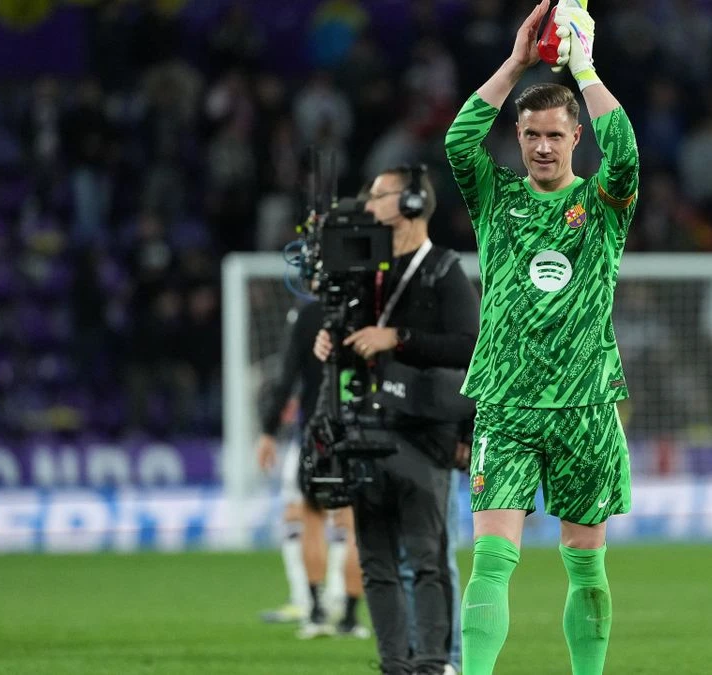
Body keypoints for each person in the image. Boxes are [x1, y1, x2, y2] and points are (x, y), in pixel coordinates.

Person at [444, 1, 639, 673]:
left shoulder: (604, 204)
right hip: (506, 400)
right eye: (531, 135)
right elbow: (457, 143)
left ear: (576, 136)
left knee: (585, 564)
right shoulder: (496, 199)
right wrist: (515, 64)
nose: (543, 147)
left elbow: (626, 152)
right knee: (492, 559)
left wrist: (584, 69)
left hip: (586, 402)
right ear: (519, 136)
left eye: (555, 134)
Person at [313, 165, 479, 675]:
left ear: (411, 204)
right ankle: (398, 664)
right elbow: (354, 341)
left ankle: (441, 663)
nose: (367, 204)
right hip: (371, 429)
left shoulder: (444, 270)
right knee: (380, 564)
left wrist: (399, 338)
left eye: (379, 195)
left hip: (426, 434)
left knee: (429, 559)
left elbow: (473, 348)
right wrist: (332, 342)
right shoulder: (370, 272)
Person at [255, 297, 368, 640]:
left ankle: (317, 611)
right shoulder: (370, 309)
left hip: (317, 433)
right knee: (354, 525)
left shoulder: (309, 314)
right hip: (360, 430)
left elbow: (287, 376)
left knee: (312, 519)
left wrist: (269, 431)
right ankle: (349, 617)